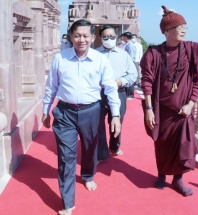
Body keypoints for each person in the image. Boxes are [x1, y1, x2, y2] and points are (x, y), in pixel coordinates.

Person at [42, 19, 121, 215]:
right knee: (66, 157)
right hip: (65, 113)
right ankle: (67, 202)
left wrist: (115, 115)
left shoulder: (100, 60)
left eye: (86, 35)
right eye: (77, 35)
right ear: (71, 37)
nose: (81, 39)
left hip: (91, 111)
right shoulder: (60, 59)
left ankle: (87, 175)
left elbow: (110, 88)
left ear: (93, 37)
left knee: (89, 147)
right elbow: (51, 86)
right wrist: (45, 110)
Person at [140, 5, 198, 197]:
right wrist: (149, 109)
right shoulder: (154, 53)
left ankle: (178, 179)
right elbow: (147, 81)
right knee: (162, 144)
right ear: (167, 31)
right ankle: (161, 174)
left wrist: (191, 104)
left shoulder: (191, 50)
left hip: (183, 110)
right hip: (162, 109)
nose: (184, 30)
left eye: (185, 26)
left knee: (183, 146)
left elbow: (197, 80)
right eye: (179, 27)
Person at [96, 25, 137, 160]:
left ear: (117, 38)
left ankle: (114, 147)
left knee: (116, 120)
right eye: (106, 37)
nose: (109, 39)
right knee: (98, 123)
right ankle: (101, 153)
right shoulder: (95, 54)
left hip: (118, 92)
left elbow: (132, 75)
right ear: (100, 38)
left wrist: (120, 81)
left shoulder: (123, 55)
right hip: (99, 94)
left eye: (112, 37)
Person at [122, 31, 137, 99]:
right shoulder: (127, 44)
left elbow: (130, 56)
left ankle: (130, 94)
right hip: (127, 63)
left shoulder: (130, 45)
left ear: (126, 37)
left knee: (130, 77)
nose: (122, 38)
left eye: (124, 37)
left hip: (129, 63)